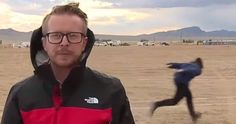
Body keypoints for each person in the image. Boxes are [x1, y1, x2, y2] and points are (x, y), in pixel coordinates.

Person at [1, 3, 135, 124]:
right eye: (56, 35)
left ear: (84, 43)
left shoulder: (111, 90)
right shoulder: (21, 94)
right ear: (44, 43)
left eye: (73, 35)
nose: (64, 42)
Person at [150, 58, 203, 122]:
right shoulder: (198, 69)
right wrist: (182, 70)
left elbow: (179, 64)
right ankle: (157, 104)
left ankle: (193, 115)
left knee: (189, 96)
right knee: (174, 101)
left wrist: (173, 64)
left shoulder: (188, 64)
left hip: (177, 79)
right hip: (182, 82)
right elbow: (191, 70)